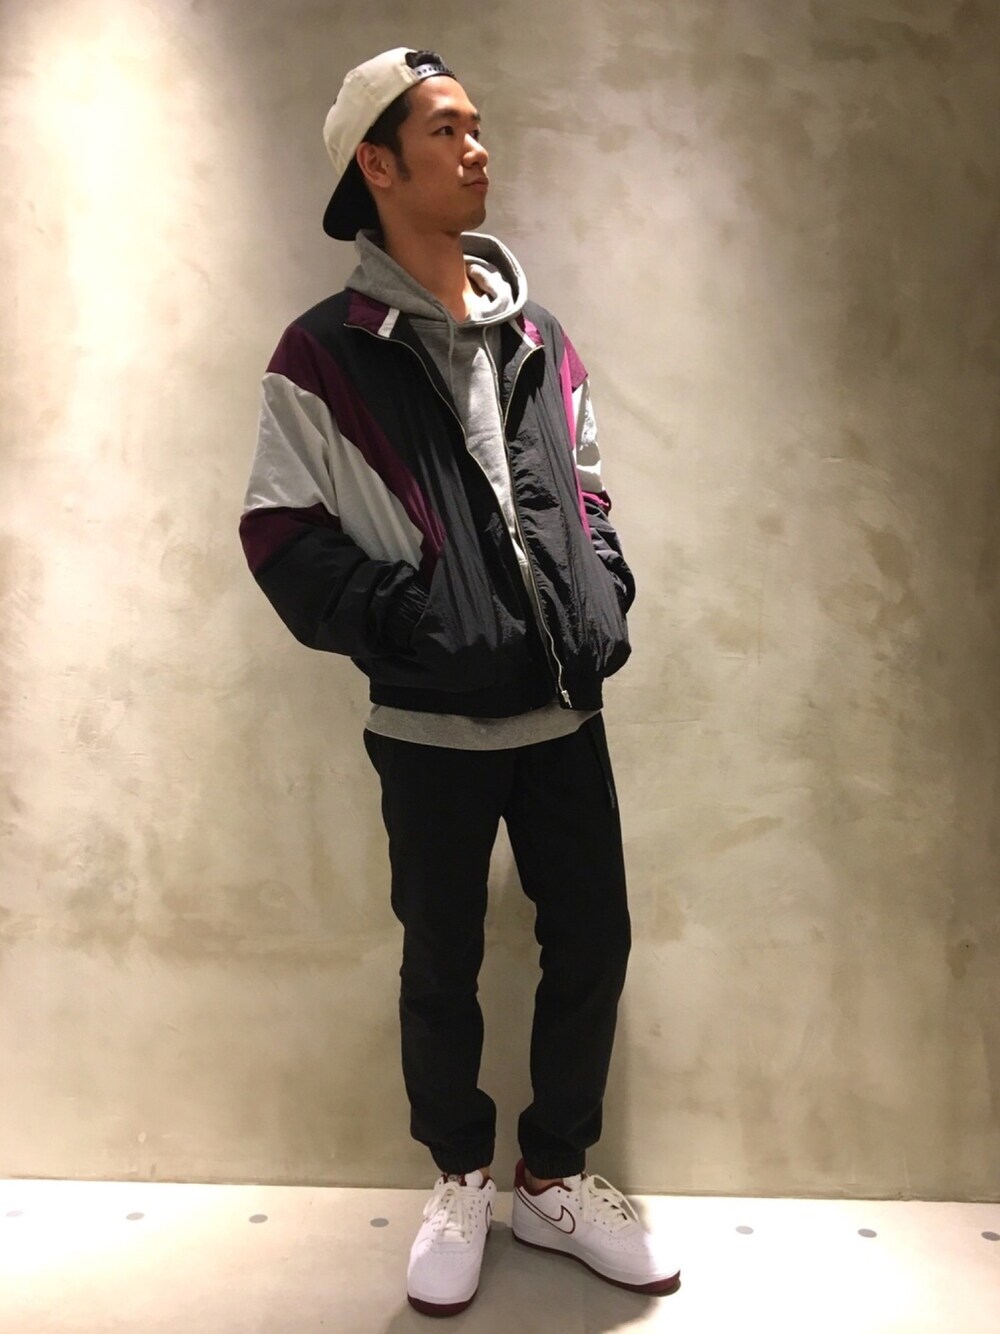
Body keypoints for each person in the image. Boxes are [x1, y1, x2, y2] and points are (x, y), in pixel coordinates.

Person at [239, 46, 681, 1318]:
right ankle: (459, 1176)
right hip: (427, 721)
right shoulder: (323, 355)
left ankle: (554, 1175)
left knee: (592, 938)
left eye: (477, 124)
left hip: (563, 708)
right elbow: (280, 534)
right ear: (376, 165)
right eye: (446, 129)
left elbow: (586, 491)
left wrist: (600, 589)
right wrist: (421, 621)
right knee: (440, 958)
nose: (477, 146)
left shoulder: (539, 336)